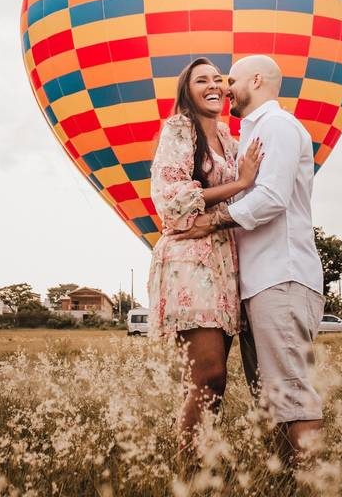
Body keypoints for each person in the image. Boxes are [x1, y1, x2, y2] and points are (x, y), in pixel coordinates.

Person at [172, 54, 326, 459]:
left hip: (282, 277)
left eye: (230, 80)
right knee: (270, 398)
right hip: (259, 284)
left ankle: (312, 483)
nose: (224, 88)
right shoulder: (247, 138)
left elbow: (272, 197)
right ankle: (288, 479)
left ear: (256, 80)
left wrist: (214, 221)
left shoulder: (276, 127)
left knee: (291, 393)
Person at [146, 56, 263, 455]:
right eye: (201, 80)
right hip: (189, 261)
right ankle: (187, 467)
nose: (214, 85)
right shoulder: (180, 130)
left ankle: (197, 460)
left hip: (225, 262)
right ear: (187, 91)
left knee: (210, 379)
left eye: (219, 79)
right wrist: (242, 182)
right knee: (209, 374)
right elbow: (172, 200)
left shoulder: (231, 141)